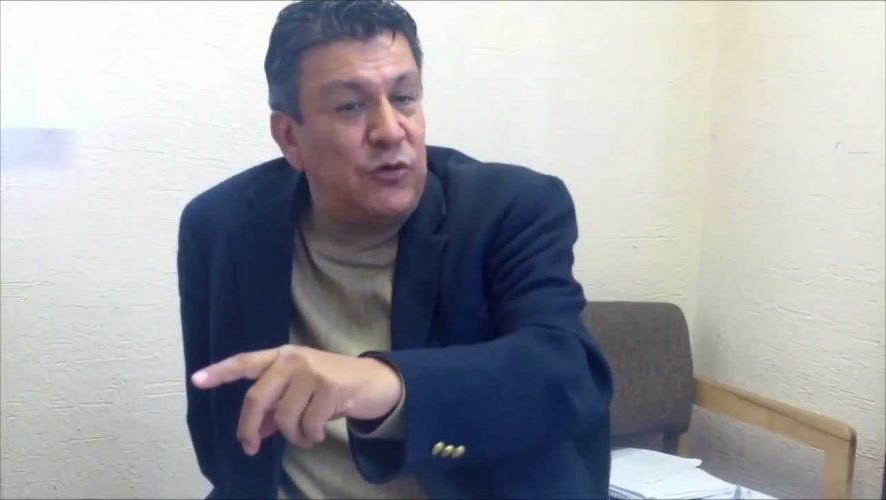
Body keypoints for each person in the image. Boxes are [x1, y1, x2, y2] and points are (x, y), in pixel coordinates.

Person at [177, 0, 613, 498]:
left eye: (404, 97)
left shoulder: (509, 208)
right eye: (350, 106)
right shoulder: (222, 226)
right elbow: (224, 434)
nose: (390, 130)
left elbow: (567, 373)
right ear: (290, 137)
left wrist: (380, 383)